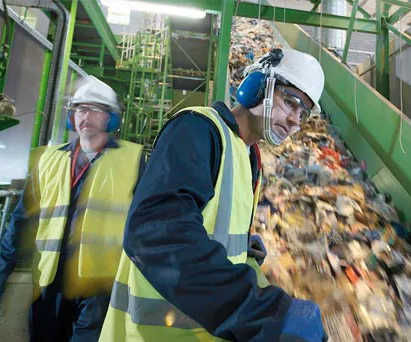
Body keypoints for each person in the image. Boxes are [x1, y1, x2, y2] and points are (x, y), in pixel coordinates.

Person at [99, 48, 327, 341]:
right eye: (290, 102)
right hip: (152, 333)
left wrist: (241, 249)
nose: (296, 120)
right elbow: (157, 234)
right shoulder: (197, 130)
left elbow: (206, 222)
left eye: (303, 113)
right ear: (256, 88)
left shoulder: (249, 156)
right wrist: (262, 311)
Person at [0, 76, 144, 341]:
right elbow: (20, 222)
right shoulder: (49, 160)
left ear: (112, 119)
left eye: (95, 108)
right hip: (49, 284)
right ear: (72, 116)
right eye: (80, 108)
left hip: (100, 287)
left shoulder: (133, 160)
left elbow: (144, 227)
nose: (86, 115)